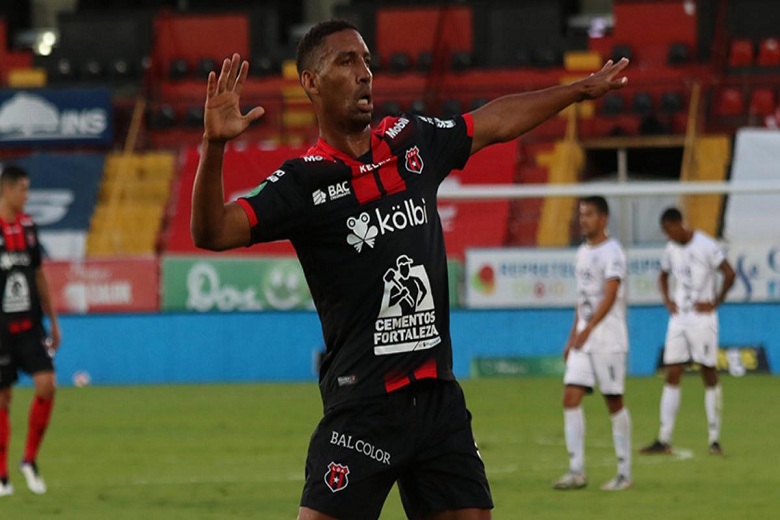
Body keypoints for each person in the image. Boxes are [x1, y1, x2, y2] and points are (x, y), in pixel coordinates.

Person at [190, 19, 629, 519]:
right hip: (364, 404)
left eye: (367, 62)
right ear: (310, 82)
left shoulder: (410, 142)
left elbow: (493, 121)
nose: (365, 74)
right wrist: (215, 146)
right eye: (347, 61)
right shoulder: (303, 182)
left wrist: (574, 91)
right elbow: (212, 232)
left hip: (437, 397)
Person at [640, 207, 735, 456]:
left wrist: (715, 302)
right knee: (672, 372)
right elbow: (662, 275)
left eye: (669, 230)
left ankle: (714, 439)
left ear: (679, 224)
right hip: (679, 319)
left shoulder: (705, 244)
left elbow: (729, 272)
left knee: (708, 371)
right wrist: (667, 300)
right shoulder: (671, 249)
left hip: (703, 319)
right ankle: (663, 439)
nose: (667, 236)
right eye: (664, 233)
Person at [554, 196, 632, 492]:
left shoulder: (613, 252)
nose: (583, 219)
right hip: (585, 338)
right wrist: (574, 334)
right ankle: (576, 471)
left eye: (588, 214)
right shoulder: (582, 252)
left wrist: (590, 330)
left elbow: (610, 295)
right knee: (570, 396)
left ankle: (624, 472)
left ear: (603, 218)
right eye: (581, 214)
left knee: (613, 400)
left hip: (608, 338)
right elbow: (582, 298)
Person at [0, 165, 61, 497]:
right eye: (23, 189)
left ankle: (29, 460)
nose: (27, 195)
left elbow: (39, 276)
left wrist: (53, 321)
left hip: (30, 325)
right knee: (3, 398)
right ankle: (2, 474)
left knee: (47, 385)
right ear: (7, 190)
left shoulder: (29, 229)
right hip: (0, 329)